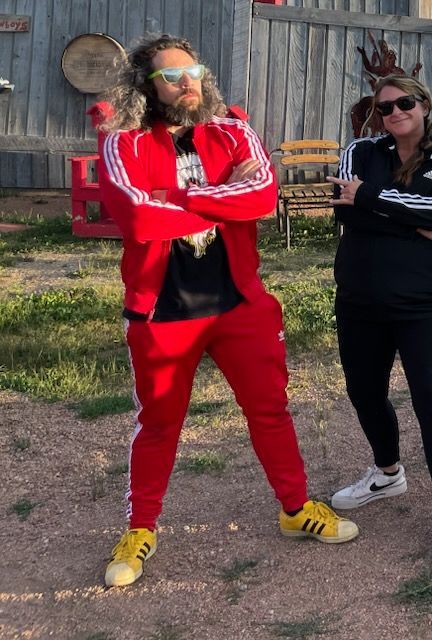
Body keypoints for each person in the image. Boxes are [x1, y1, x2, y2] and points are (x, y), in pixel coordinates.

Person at [96, 34, 357, 589]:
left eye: (193, 71)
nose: (186, 83)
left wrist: (173, 197)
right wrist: (219, 198)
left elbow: (261, 196)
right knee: (159, 423)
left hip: (240, 303)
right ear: (146, 86)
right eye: (171, 76)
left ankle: (295, 508)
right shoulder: (123, 141)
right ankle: (141, 528)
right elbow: (136, 217)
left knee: (270, 409)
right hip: (162, 309)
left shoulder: (233, 129)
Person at [326, 75, 432, 573]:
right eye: (384, 107)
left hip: (427, 301)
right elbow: (343, 211)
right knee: (364, 391)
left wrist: (369, 199)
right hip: (361, 298)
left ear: (424, 104)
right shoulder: (360, 151)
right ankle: (388, 472)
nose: (394, 112)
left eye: (404, 103)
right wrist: (416, 222)